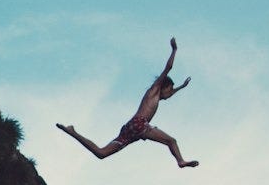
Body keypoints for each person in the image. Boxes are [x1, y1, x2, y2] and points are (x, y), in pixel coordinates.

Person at [57, 38, 198, 168]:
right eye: (170, 89)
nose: (170, 93)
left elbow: (168, 95)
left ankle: (72, 132)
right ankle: (180, 161)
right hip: (140, 124)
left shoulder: (156, 97)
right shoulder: (154, 89)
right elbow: (168, 68)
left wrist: (180, 87)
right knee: (171, 141)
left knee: (101, 153)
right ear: (163, 87)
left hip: (130, 128)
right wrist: (174, 50)